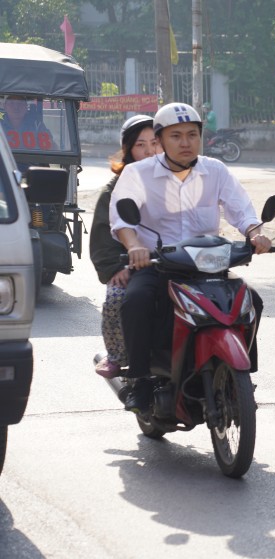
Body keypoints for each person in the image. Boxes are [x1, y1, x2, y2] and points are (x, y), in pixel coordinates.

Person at [110, 102, 272, 413]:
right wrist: (134, 248)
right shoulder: (138, 173)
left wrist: (255, 234)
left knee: (253, 302)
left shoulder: (215, 170)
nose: (185, 143)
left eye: (192, 135)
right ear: (160, 140)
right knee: (137, 301)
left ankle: (241, 378)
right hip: (158, 265)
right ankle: (141, 379)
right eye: (176, 136)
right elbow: (123, 222)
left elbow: (242, 210)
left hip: (207, 265)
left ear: (200, 137)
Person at [90, 115, 162, 378]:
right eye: (140, 145)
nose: (149, 151)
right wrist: (114, 268)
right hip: (132, 263)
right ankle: (117, 355)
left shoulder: (175, 178)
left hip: (176, 261)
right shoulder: (115, 189)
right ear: (129, 150)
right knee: (117, 297)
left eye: (154, 142)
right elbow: (102, 234)